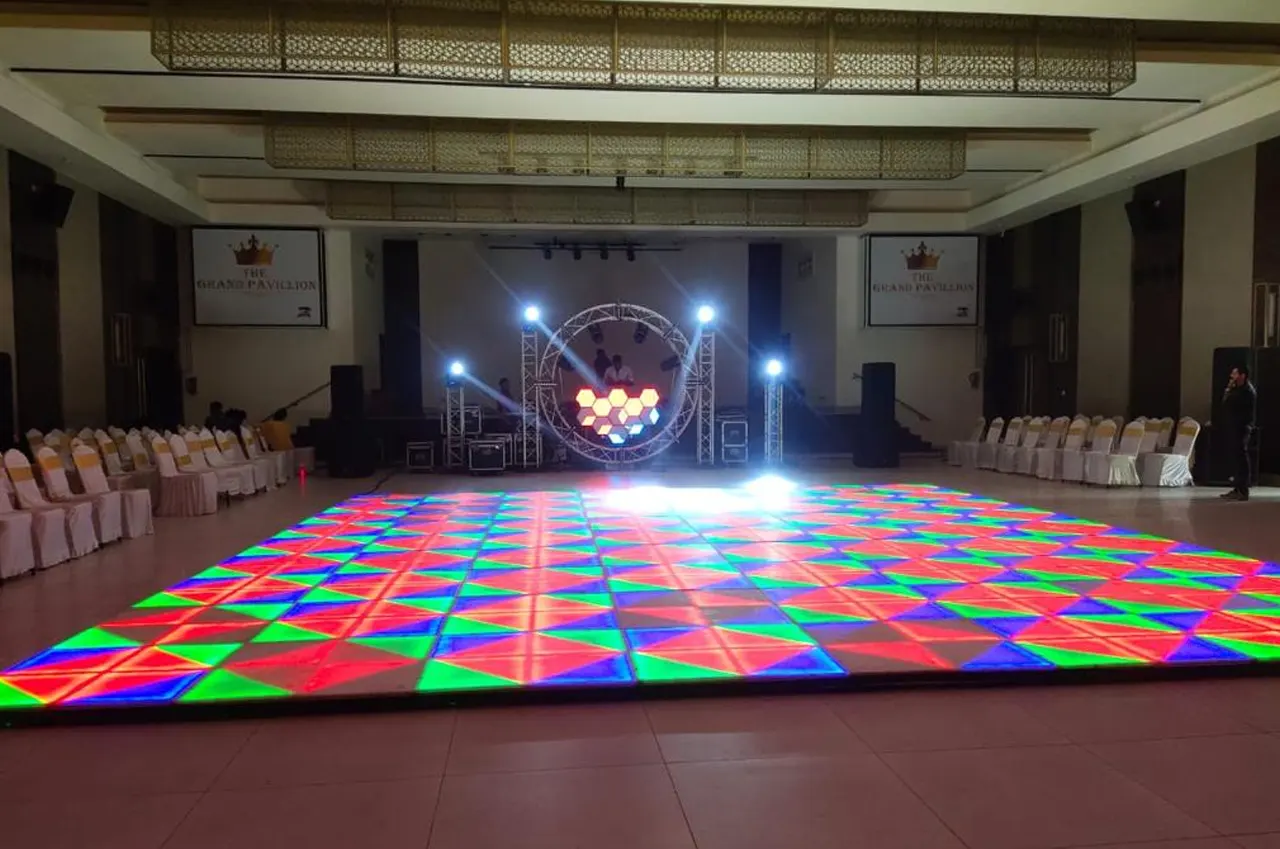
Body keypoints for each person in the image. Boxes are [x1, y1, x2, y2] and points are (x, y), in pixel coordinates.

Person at [1221, 364, 1257, 501]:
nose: (1232, 376)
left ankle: (1243, 489)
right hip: (1234, 426)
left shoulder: (1247, 391)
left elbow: (1242, 410)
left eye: (1235, 373)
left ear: (1242, 375)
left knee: (1241, 457)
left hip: (1242, 427)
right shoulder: (1235, 389)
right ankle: (1237, 488)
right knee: (1235, 457)